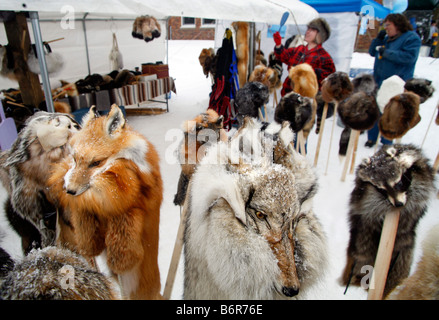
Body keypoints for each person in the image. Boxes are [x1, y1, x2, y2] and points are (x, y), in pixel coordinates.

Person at [365, 13, 421, 148]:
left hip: (396, 83)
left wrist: (387, 53)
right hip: (379, 80)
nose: (386, 28)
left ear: (398, 24)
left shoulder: (411, 38)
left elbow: (409, 57)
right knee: (375, 109)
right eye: (385, 26)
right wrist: (377, 40)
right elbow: (373, 52)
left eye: (388, 25)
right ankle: (372, 137)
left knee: (392, 111)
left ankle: (387, 140)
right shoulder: (386, 38)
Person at [273, 17, 336, 95]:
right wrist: (278, 45)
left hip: (306, 99)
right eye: (308, 29)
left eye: (312, 30)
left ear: (320, 34)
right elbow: (284, 56)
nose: (308, 32)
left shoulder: (324, 57)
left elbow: (330, 81)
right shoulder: (299, 49)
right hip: (288, 93)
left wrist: (315, 73)